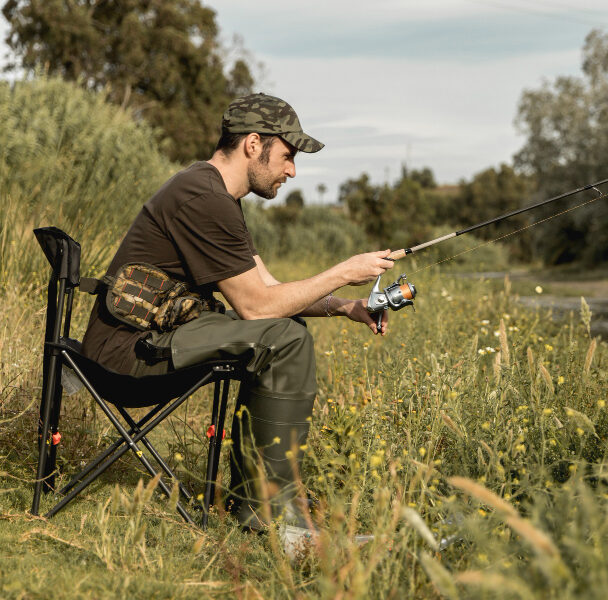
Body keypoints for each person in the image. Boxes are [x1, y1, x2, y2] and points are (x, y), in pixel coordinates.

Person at [81, 92, 394, 543]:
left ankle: (261, 504)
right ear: (253, 144)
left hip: (145, 340)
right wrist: (345, 272)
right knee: (284, 339)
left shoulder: (215, 195)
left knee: (288, 331)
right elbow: (257, 308)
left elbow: (268, 292)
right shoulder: (202, 196)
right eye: (287, 156)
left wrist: (346, 306)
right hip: (125, 356)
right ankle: (273, 514)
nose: (291, 171)